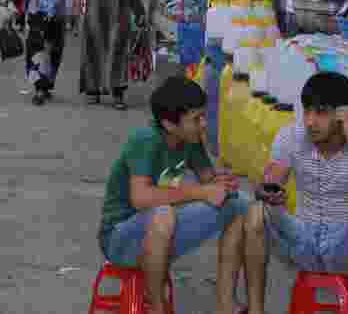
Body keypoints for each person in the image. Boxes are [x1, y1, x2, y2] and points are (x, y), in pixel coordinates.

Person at [99, 76, 252, 314]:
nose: (203, 124)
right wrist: (201, 192)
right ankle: (157, 308)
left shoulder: (190, 139)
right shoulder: (145, 140)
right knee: (163, 213)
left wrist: (223, 184)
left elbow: (209, 182)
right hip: (120, 239)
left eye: (203, 116)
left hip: (161, 234)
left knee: (239, 203)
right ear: (169, 124)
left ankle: (226, 304)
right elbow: (140, 198)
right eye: (196, 119)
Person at [242, 71, 348, 314]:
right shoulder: (291, 136)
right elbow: (270, 182)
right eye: (307, 111)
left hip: (343, 246)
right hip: (302, 240)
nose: (310, 121)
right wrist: (268, 192)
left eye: (321, 112)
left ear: (342, 114)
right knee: (256, 213)